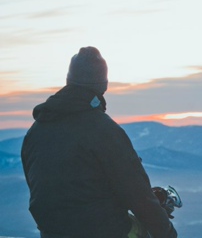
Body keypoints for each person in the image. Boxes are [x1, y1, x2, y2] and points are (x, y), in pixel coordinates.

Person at [21, 46, 177, 238]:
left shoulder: (36, 131)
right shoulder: (104, 131)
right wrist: (168, 234)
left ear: (69, 80)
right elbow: (139, 197)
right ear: (103, 85)